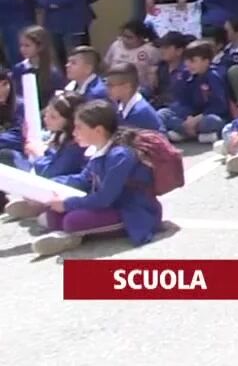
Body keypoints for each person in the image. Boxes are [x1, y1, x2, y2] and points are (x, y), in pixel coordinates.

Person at [24, 100, 165, 256]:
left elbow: (104, 198)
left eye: (79, 127)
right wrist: (46, 186)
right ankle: (71, 234)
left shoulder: (120, 155)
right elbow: (83, 179)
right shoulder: (101, 149)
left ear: (98, 131)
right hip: (111, 205)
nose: (74, 132)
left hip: (132, 211)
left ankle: (71, 237)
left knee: (72, 221)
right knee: (53, 214)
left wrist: (67, 204)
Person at [158, 41, 230, 144]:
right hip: (189, 115)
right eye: (186, 60)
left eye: (193, 61)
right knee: (163, 114)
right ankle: (196, 134)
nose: (188, 64)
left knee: (212, 122)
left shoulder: (213, 76)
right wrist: (188, 119)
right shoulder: (186, 75)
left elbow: (219, 107)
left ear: (206, 61)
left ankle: (185, 134)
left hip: (207, 116)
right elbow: (182, 101)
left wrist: (196, 119)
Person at [12, 26, 63, 112]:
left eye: (27, 46)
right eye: (21, 45)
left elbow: (56, 99)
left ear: (40, 46)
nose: (22, 49)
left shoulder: (53, 73)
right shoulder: (19, 69)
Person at [105, 64, 163, 132]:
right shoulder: (118, 105)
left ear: (127, 87)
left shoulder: (140, 113)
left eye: (110, 85)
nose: (107, 89)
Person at [106, 20, 160, 94]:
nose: (125, 40)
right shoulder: (116, 45)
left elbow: (155, 72)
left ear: (141, 38)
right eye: (123, 36)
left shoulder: (151, 50)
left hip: (139, 89)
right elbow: (107, 64)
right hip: (114, 85)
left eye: (129, 37)